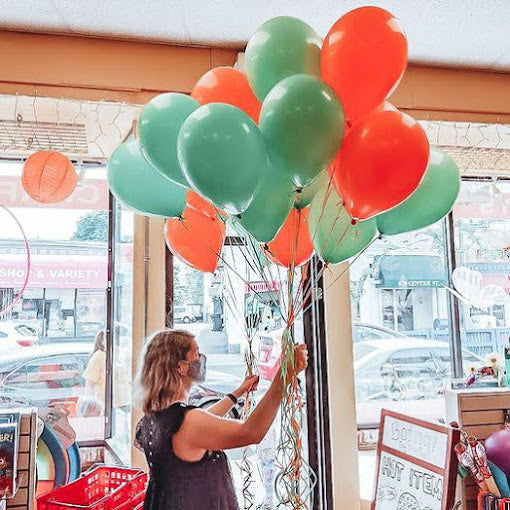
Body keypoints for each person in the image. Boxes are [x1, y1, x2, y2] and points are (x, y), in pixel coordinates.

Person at [134, 329, 308, 510]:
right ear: (181, 367)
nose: (201, 358)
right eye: (196, 353)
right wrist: (283, 375)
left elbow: (205, 421)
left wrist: (237, 393)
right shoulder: (188, 422)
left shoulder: (155, 417)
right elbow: (251, 432)